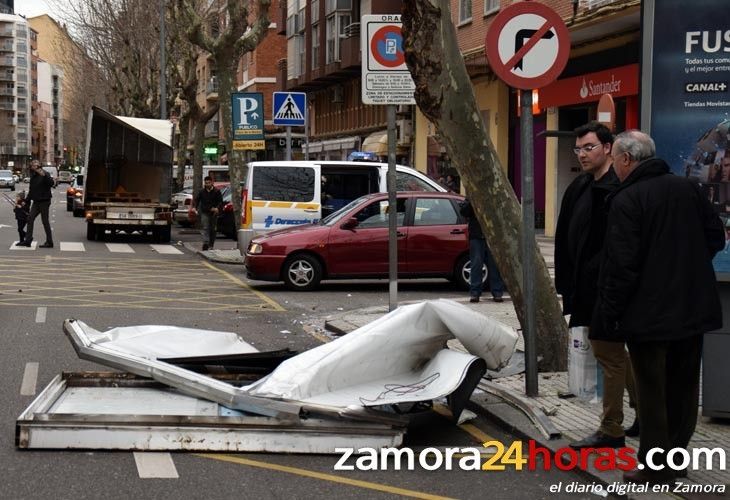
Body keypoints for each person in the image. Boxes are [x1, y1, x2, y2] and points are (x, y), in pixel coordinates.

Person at [593, 130, 724, 485]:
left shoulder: (628, 199)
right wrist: (690, 266)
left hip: (647, 314)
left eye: (617, 160)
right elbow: (716, 236)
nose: (616, 167)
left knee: (652, 392)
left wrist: (608, 315)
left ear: (626, 160)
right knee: (683, 388)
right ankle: (676, 459)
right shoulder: (688, 190)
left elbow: (621, 265)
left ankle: (655, 468)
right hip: (692, 308)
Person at [555, 121, 637, 450]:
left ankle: (611, 428)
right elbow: (564, 237)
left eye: (589, 147)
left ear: (608, 148)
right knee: (613, 352)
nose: (583, 154)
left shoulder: (620, 188)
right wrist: (567, 284)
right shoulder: (580, 186)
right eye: (578, 149)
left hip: (608, 288)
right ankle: (642, 412)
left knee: (610, 353)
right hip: (584, 287)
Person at [458, 198, 504, 303]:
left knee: (494, 265)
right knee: (476, 264)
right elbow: (464, 212)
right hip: (477, 234)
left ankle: (497, 292)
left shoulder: (493, 196)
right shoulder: (472, 196)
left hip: (492, 235)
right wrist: (471, 202)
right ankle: (475, 293)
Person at [16, 160, 54, 248]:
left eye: (34, 165)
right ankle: (28, 240)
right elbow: (31, 191)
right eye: (32, 165)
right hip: (36, 202)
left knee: (45, 221)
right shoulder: (33, 176)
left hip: (44, 201)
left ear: (38, 166)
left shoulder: (45, 173)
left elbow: (51, 183)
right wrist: (26, 201)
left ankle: (49, 242)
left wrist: (44, 176)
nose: (32, 166)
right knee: (30, 219)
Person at [192, 176, 223, 251]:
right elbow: (197, 200)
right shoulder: (202, 192)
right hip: (204, 212)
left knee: (213, 229)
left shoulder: (216, 191)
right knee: (205, 227)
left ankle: (211, 245)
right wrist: (194, 207)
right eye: (206, 183)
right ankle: (206, 243)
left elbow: (220, 201)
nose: (207, 184)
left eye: (209, 183)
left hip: (214, 213)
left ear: (212, 183)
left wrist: (217, 208)